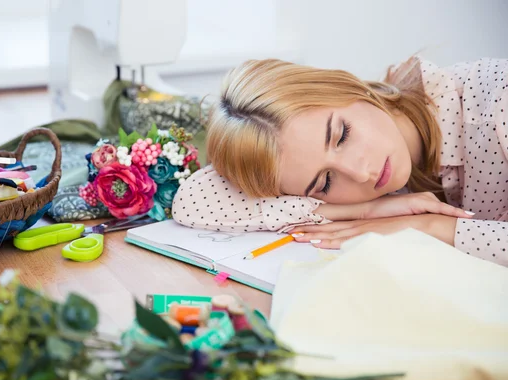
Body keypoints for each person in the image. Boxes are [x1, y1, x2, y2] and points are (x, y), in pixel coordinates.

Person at [171, 56, 508, 266]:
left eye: (342, 135)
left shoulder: (497, 103)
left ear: (348, 87)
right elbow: (194, 201)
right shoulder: (382, 191)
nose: (361, 173)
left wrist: (432, 226)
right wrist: (363, 211)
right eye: (326, 182)